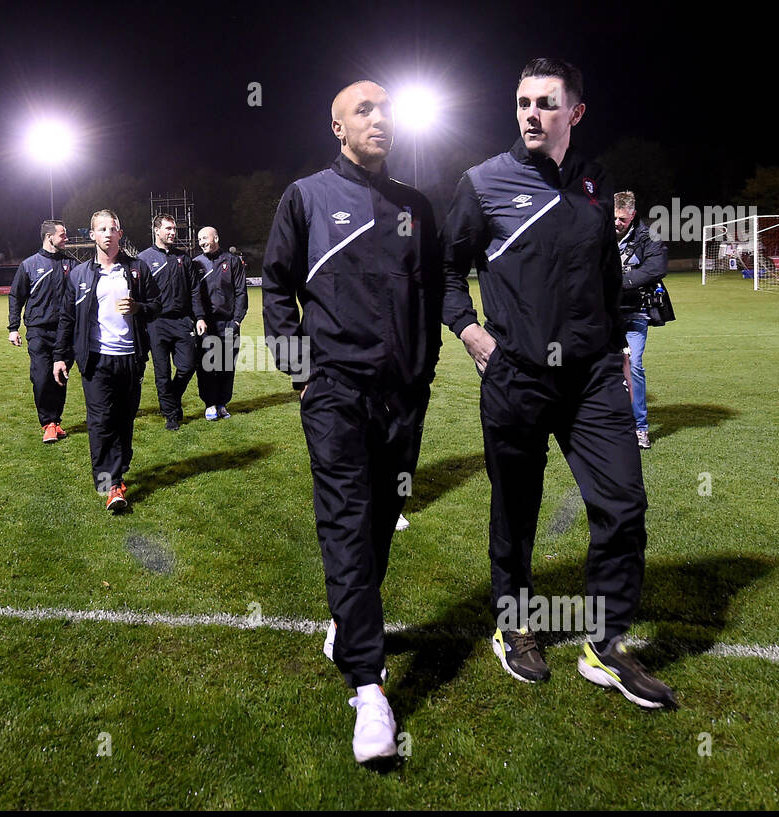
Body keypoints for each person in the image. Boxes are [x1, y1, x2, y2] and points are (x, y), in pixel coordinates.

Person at [442, 57, 676, 709]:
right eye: (522, 102)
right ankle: (514, 624)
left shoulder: (596, 182)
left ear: (575, 112)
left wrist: (616, 345)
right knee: (516, 513)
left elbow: (605, 273)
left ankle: (604, 644)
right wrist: (469, 329)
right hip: (515, 375)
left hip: (594, 376)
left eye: (546, 102)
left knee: (624, 505)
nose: (531, 114)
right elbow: (443, 270)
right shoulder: (482, 182)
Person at [264, 79, 442, 763]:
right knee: (345, 519)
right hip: (334, 390)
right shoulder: (306, 196)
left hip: (404, 395)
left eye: (386, 106)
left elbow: (433, 287)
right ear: (337, 126)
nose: (380, 117)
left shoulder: (418, 205)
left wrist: (422, 372)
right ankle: (368, 690)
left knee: (377, 525)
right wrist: (302, 372)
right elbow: (276, 288)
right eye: (363, 109)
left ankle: (347, 622)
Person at [54, 209, 161, 512]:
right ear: (92, 235)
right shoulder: (79, 275)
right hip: (96, 361)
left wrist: (138, 307)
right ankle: (110, 484)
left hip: (130, 359)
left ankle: (119, 468)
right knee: (100, 422)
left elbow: (156, 306)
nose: (107, 234)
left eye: (112, 228)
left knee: (124, 420)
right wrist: (60, 357)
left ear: (120, 234)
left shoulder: (137, 269)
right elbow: (67, 318)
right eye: (101, 229)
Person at [136, 214, 206, 430]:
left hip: (182, 321)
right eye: (168, 228)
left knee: (188, 365)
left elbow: (195, 289)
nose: (173, 232)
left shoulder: (183, 258)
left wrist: (200, 316)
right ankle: (171, 415)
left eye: (174, 229)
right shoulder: (143, 259)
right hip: (156, 323)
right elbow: (138, 294)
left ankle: (172, 400)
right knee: (162, 373)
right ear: (156, 230)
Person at [8, 219, 75, 443]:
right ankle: (47, 423)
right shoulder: (29, 265)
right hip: (38, 331)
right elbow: (16, 297)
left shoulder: (70, 264)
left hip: (65, 332)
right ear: (49, 237)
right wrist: (13, 328)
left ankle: (55, 422)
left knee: (60, 378)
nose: (66, 238)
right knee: (41, 377)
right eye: (62, 235)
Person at [615, 191, 667, 450]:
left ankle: (640, 427)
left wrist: (618, 282)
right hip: (605, 313)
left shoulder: (650, 235)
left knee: (633, 364)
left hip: (635, 312)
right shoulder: (598, 233)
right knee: (601, 367)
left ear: (633, 215)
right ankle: (606, 425)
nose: (616, 223)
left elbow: (656, 269)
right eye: (613, 218)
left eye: (622, 219)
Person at [194, 227, 247, 420]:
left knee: (226, 365)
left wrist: (237, 320)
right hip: (206, 325)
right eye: (199, 239)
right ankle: (209, 404)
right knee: (207, 365)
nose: (201, 242)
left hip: (228, 323)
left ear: (215, 237)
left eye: (204, 238)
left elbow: (241, 292)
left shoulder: (232, 261)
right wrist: (198, 317)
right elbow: (194, 296)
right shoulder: (196, 263)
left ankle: (223, 403)